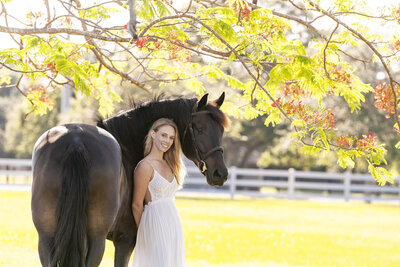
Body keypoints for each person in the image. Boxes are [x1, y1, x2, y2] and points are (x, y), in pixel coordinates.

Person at [132, 118, 185, 267]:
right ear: (153, 134)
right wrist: (144, 231)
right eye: (163, 135)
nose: (167, 141)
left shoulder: (170, 164)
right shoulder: (144, 166)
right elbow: (136, 204)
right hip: (154, 224)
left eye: (171, 138)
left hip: (172, 222)